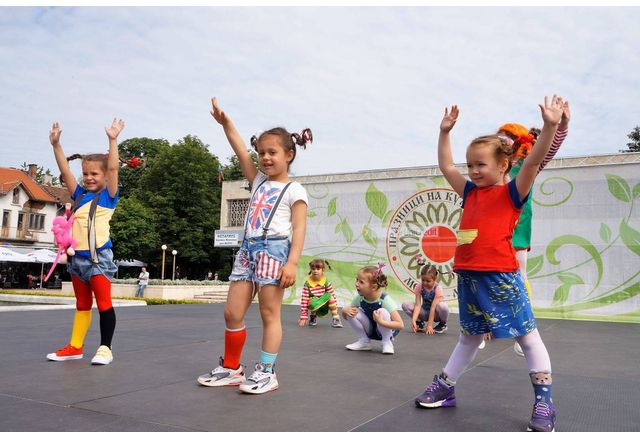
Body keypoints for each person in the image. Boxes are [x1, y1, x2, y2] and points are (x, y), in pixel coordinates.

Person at [414, 97, 563, 432]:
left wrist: (551, 127)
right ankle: (446, 387)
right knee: (468, 338)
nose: (473, 170)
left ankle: (544, 403)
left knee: (527, 337)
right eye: (471, 165)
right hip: (468, 280)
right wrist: (444, 132)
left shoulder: (512, 194)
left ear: (503, 166)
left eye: (480, 164)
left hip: (502, 279)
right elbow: (446, 167)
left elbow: (533, 162)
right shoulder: (469, 193)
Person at [197, 97, 309, 394]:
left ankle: (267, 372)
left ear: (289, 155)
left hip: (274, 250)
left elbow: (299, 228)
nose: (265, 157)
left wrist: (293, 262)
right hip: (247, 250)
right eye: (261, 152)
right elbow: (239, 150)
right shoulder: (258, 181)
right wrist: (227, 123)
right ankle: (232, 368)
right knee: (232, 312)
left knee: (269, 314)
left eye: (272, 152)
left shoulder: (294, 189)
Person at [46, 119, 124, 366]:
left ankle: (105, 348)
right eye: (86, 174)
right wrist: (56, 145)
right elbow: (66, 171)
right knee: (81, 304)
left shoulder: (108, 196)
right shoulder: (79, 196)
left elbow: (113, 170)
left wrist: (113, 140)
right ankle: (76, 346)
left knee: (103, 304)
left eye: (94, 174)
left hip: (98, 258)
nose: (89, 178)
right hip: (77, 260)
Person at [496, 100, 570, 356]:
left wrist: (562, 125)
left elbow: (547, 150)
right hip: (492, 233)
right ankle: (480, 328)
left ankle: (522, 331)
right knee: (483, 279)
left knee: (519, 279)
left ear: (518, 146)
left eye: (504, 140)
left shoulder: (525, 169)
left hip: (516, 233)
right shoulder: (491, 170)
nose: (499, 143)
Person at [342, 264, 404, 355]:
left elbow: (400, 325)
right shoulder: (359, 298)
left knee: (382, 311)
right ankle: (364, 342)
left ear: (374, 287)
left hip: (385, 330)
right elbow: (348, 316)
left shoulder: (385, 300)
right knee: (352, 310)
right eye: (357, 280)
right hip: (370, 330)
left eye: (361, 282)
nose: (356, 284)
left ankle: (387, 343)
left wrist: (382, 322)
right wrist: (344, 310)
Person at [401, 264, 449, 335]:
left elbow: (433, 307)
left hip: (436, 314)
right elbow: (417, 305)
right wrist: (414, 320)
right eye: (423, 280)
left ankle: (442, 324)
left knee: (443, 306)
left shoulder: (438, 288)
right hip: (425, 312)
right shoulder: (419, 287)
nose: (425, 283)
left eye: (428, 281)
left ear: (435, 279)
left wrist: (429, 325)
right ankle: (419, 322)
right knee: (405, 305)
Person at [299, 259, 343, 328]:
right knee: (311, 300)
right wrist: (303, 317)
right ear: (311, 270)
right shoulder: (307, 283)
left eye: (318, 268)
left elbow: (332, 296)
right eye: (313, 269)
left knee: (330, 296)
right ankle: (313, 317)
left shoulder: (326, 282)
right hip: (314, 305)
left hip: (324, 304)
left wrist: (334, 308)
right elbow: (304, 300)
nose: (315, 271)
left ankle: (336, 319)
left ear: (322, 270)